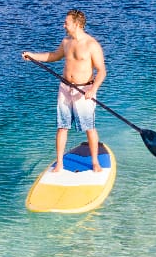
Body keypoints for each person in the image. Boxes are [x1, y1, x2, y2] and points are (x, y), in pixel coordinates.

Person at [22, 9, 107, 172]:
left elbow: (102, 71)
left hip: (84, 90)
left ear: (76, 24)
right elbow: (54, 56)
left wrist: (93, 89)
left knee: (89, 126)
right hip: (65, 88)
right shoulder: (66, 41)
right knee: (62, 126)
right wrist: (33, 56)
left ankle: (95, 162)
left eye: (66, 23)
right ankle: (60, 163)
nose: (63, 26)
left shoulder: (91, 45)